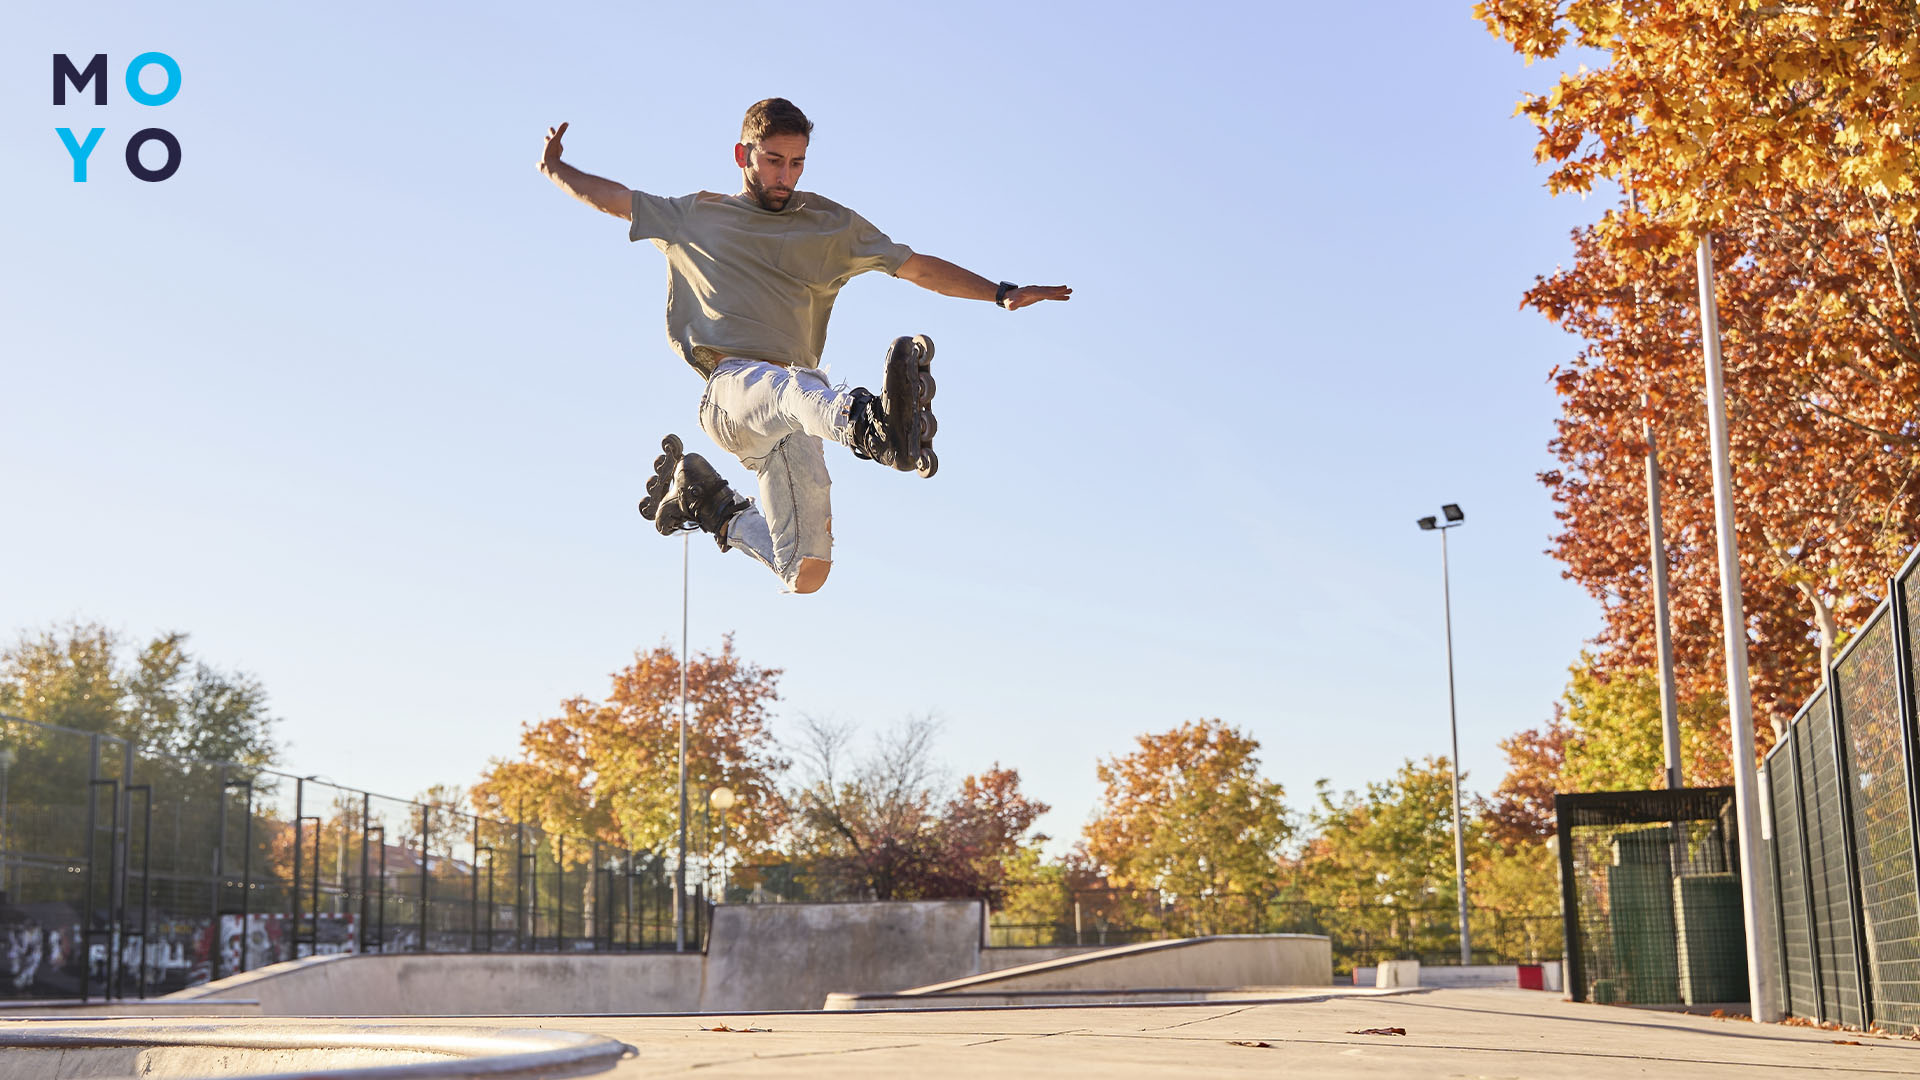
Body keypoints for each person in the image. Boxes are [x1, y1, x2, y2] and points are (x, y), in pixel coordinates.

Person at [539, 98, 1070, 594]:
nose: (785, 177)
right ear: (743, 155)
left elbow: (916, 266)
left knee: (805, 572)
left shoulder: (829, 224)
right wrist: (556, 169)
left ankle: (712, 506)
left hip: (796, 416)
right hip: (732, 394)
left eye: (797, 164)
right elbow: (612, 199)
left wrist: (1000, 293)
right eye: (773, 161)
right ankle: (871, 424)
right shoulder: (696, 216)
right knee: (794, 385)